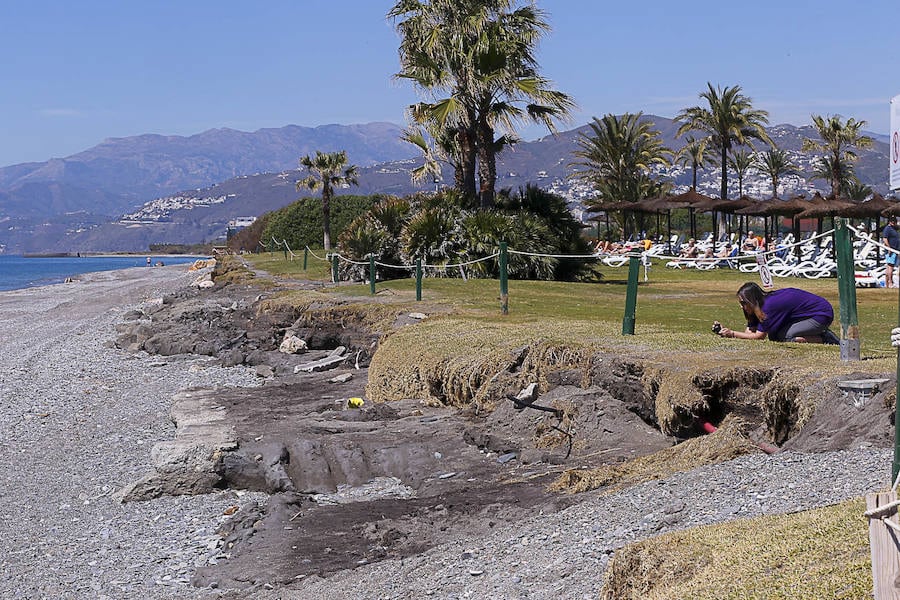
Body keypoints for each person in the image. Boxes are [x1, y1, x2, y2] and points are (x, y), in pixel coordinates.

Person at [716, 282, 839, 344]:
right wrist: (724, 332)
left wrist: (732, 334)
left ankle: (824, 338)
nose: (741, 306)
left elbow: (759, 337)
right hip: (807, 314)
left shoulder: (769, 307)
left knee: (785, 337)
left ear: (752, 301)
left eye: (743, 303)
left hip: (821, 314)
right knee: (775, 336)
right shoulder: (759, 305)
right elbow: (750, 333)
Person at [882, 216, 900, 288]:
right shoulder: (887, 229)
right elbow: (885, 239)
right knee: (890, 266)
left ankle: (887, 284)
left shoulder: (894, 229)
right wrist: (889, 248)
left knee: (890, 266)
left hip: (895, 250)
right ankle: (890, 282)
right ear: (891, 222)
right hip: (891, 250)